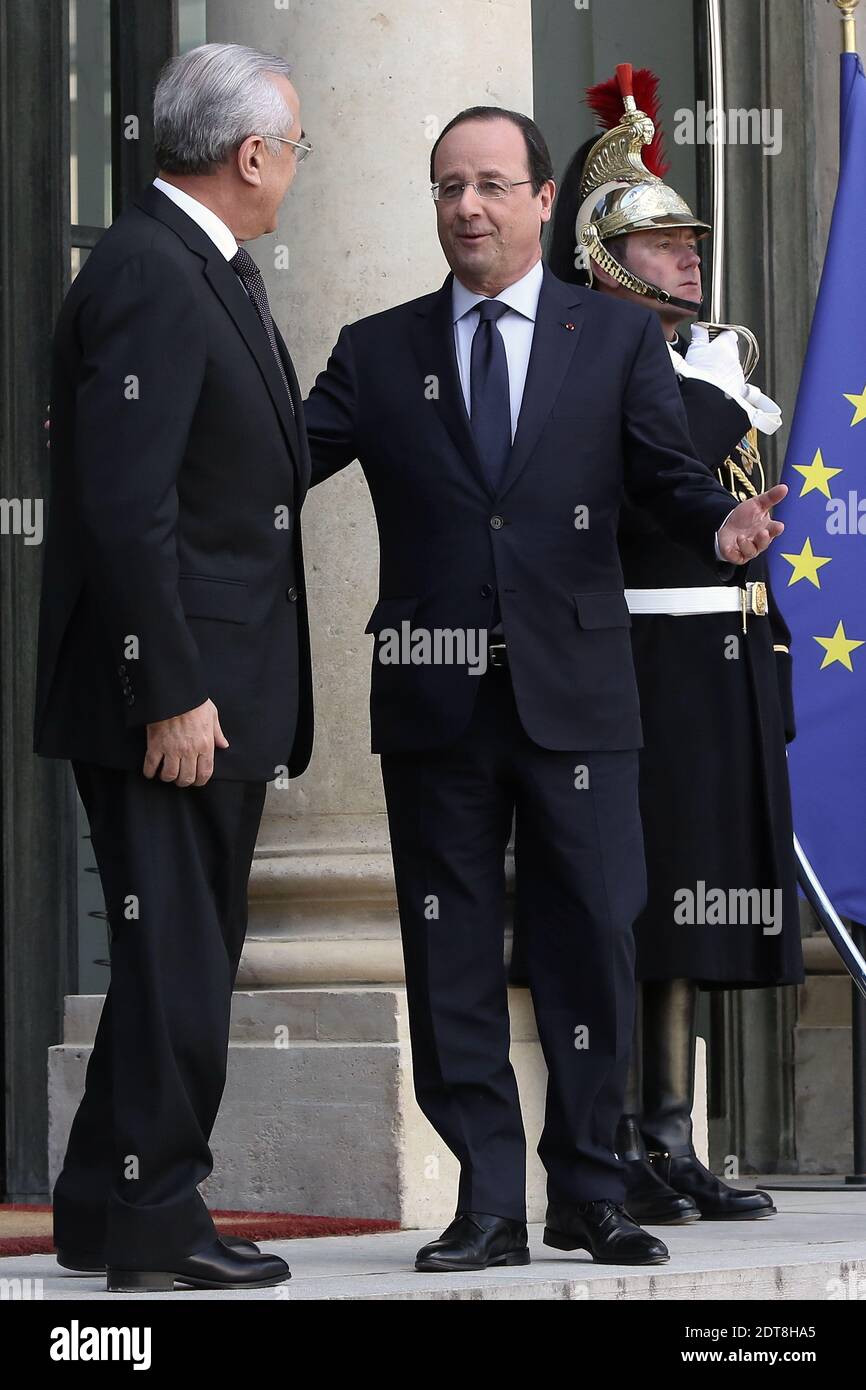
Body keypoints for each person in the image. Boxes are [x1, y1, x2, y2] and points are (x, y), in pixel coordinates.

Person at [303, 97, 787, 1272]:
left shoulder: (612, 340)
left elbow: (664, 479)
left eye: (487, 185)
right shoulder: (379, 350)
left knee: (593, 941)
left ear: (535, 202)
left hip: (578, 696)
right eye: (445, 188)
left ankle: (586, 1188)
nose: (464, 206)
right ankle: (483, 1201)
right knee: (450, 954)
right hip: (434, 701)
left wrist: (720, 521)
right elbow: (278, 458)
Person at [33, 42, 313, 1292]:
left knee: (171, 951)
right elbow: (125, 506)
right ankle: (155, 1221)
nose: (295, 170)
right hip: (177, 696)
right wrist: (173, 688)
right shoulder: (155, 271)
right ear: (251, 154)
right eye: (295, 148)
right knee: (181, 963)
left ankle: (104, 1204)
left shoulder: (188, 262)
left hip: (208, 681)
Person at [546, 65, 803, 1223]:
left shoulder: (705, 359)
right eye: (661, 245)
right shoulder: (616, 358)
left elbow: (743, 519)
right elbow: (661, 485)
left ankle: (669, 1133)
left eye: (691, 241)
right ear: (605, 259)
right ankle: (623, 1142)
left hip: (719, 661)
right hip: (642, 663)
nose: (688, 258)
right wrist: (710, 391)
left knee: (703, 901)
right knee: (645, 908)